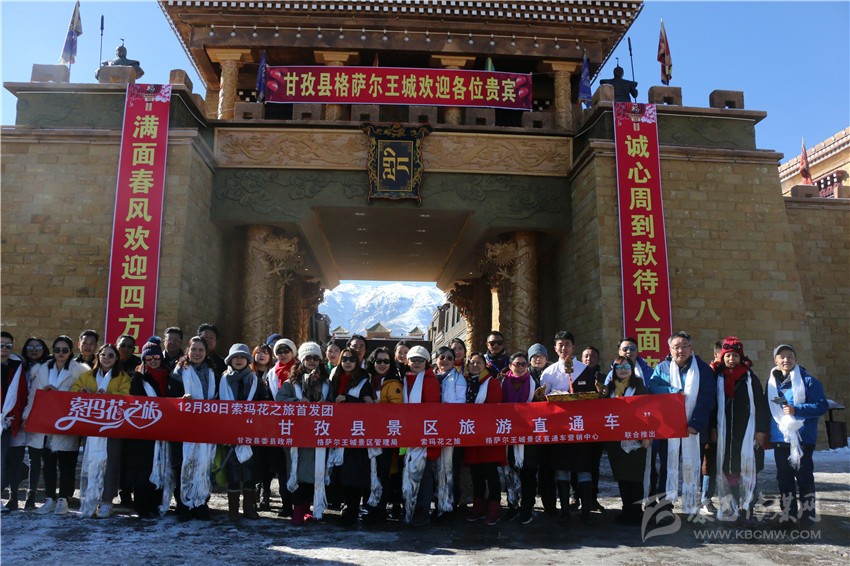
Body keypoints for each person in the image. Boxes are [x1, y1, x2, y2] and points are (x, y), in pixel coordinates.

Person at [648, 331, 715, 516]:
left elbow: (707, 398)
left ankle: (691, 505)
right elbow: (652, 388)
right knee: (667, 466)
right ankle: (665, 506)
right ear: (670, 349)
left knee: (692, 464)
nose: (681, 350)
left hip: (694, 428)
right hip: (669, 428)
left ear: (691, 348)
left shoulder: (702, 369)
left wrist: (696, 422)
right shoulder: (662, 368)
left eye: (685, 346)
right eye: (676, 347)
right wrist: (672, 391)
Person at [23, 335, 89, 515]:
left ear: (71, 351)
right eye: (57, 350)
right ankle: (50, 498)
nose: (61, 353)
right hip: (45, 422)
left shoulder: (79, 371)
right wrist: (27, 416)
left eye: (65, 350)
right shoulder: (43, 369)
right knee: (48, 462)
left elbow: (80, 396)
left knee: (67, 463)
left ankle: (63, 499)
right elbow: (33, 395)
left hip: (67, 422)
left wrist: (58, 393)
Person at [767, 344, 828, 527]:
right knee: (784, 480)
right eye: (782, 356)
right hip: (780, 438)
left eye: (790, 356)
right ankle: (788, 515)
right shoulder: (771, 384)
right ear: (776, 361)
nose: (786, 359)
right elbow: (767, 408)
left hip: (802, 438)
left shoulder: (809, 381)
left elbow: (821, 406)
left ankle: (807, 516)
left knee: (804, 479)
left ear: (796, 360)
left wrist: (797, 409)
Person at [710, 337, 769, 523]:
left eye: (735, 356)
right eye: (728, 356)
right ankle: (731, 506)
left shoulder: (750, 378)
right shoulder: (716, 377)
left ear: (741, 357)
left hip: (747, 432)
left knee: (748, 469)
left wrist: (760, 430)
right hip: (725, 433)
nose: (731, 359)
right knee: (729, 470)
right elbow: (711, 405)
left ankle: (747, 508)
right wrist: (712, 428)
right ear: (722, 357)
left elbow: (760, 404)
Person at [71, 343, 132, 518]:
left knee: (111, 464)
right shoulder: (88, 375)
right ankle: (90, 498)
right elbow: (73, 391)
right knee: (91, 461)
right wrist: (82, 391)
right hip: (91, 425)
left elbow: (126, 395)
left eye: (111, 355)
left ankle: (107, 501)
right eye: (103, 355)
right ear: (98, 356)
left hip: (113, 426)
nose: (106, 358)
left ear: (116, 358)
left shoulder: (123, 377)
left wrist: (107, 397)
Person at [539, 330, 595, 522]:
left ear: (574, 347)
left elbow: (593, 398)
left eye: (567, 344)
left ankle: (586, 511)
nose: (564, 348)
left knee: (583, 468)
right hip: (560, 428)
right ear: (555, 348)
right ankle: (564, 510)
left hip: (581, 426)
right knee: (562, 468)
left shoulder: (584, 370)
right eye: (560, 345)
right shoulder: (548, 372)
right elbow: (542, 402)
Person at [277, 342, 334, 525]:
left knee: (315, 474)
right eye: (308, 357)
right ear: (302, 359)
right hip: (297, 436)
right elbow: (280, 401)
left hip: (319, 433)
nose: (312, 361)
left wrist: (328, 405)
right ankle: (297, 511)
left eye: (315, 357)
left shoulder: (327, 383)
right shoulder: (291, 383)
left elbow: (334, 405)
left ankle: (308, 509)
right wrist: (296, 402)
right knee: (297, 474)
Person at [168, 335, 218, 521]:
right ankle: (184, 504)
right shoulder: (178, 372)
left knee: (203, 465)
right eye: (194, 349)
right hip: (183, 427)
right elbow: (169, 397)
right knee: (184, 464)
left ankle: (201, 503)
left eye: (201, 350)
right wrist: (180, 399)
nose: (197, 353)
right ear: (188, 351)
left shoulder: (212, 372)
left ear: (206, 352)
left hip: (206, 426)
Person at [220, 344, 267, 522]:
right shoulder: (223, 379)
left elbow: (264, 401)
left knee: (250, 473)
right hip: (230, 432)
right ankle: (233, 510)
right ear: (230, 360)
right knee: (232, 473)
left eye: (242, 357)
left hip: (251, 432)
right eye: (236, 357)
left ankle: (249, 508)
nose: (239, 360)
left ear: (248, 360)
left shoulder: (256, 380)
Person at [602, 356, 651, 524]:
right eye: (619, 367)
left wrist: (646, 435)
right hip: (615, 440)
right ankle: (626, 510)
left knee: (635, 476)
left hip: (636, 440)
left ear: (632, 369)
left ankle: (636, 512)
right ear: (614, 370)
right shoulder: (609, 389)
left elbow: (647, 413)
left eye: (626, 367)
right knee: (621, 475)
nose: (623, 370)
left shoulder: (639, 387)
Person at [331, 347, 375, 525]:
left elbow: (366, 406)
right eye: (345, 359)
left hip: (356, 434)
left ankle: (352, 509)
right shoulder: (334, 379)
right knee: (339, 472)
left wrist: (347, 400)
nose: (348, 362)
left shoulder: (363, 381)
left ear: (357, 362)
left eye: (352, 359)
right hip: (336, 432)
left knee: (354, 474)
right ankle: (345, 506)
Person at [126, 341, 170, 518]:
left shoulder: (169, 375)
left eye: (156, 356)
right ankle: (142, 506)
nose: (153, 360)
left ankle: (156, 503)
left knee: (160, 464)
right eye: (149, 357)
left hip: (164, 428)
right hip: (143, 429)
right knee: (142, 469)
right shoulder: (137, 377)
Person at [463, 352, 505, 526]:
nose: (475, 365)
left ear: (485, 364)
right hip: (471, 434)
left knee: (491, 473)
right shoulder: (465, 382)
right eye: (472, 362)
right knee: (476, 473)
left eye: (478, 362)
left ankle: (494, 507)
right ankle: (478, 506)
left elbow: (494, 407)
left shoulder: (491, 383)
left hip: (488, 435)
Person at [402, 345, 441, 527]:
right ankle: (410, 508)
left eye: (421, 360)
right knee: (410, 472)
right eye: (413, 360)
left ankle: (422, 510)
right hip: (406, 433)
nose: (417, 363)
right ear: (407, 361)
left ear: (426, 362)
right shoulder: (404, 379)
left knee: (424, 475)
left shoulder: (430, 380)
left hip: (423, 434)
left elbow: (431, 410)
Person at [364, 348, 403, 523]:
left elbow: (396, 409)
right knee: (371, 472)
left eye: (386, 361)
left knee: (383, 474)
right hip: (367, 434)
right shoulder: (367, 381)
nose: (382, 364)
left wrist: (376, 404)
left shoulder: (394, 383)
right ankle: (371, 506)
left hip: (386, 436)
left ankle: (380, 509)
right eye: (378, 361)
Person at [501, 351, 538, 524]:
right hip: (508, 433)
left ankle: (527, 507)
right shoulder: (502, 383)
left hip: (528, 435)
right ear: (510, 366)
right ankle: (512, 505)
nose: (521, 367)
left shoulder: (534, 383)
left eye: (524, 364)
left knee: (528, 473)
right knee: (510, 472)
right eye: (517, 364)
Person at [16, 337, 50, 510]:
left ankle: (31, 496)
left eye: (38, 347)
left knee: (35, 458)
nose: (34, 350)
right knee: (13, 455)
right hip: (15, 415)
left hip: (36, 416)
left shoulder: (47, 368)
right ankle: (12, 491)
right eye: (30, 347)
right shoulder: (19, 366)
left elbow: (36, 395)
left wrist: (27, 416)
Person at [251, 343, 282, 513]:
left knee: (269, 461)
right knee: (255, 459)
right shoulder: (249, 373)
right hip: (253, 423)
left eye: (265, 353)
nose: (262, 355)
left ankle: (266, 493)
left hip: (272, 424)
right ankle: (254, 492)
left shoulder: (274, 373)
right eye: (259, 352)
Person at [435, 345, 466, 516]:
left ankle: (449, 505)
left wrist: (446, 408)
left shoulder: (459, 378)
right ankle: (438, 503)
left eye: (449, 358)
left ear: (454, 361)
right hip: (433, 428)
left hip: (451, 428)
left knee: (450, 467)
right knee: (436, 467)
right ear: (436, 360)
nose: (445, 361)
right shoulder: (431, 377)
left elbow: (461, 402)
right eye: (442, 357)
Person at [1, 331, 28, 513]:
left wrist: (18, 416)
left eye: (8, 345)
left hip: (7, 419)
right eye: (1, 345)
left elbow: (21, 394)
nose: (4, 348)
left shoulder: (17, 366)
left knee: (3, 460)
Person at [581, 345, 606, 513]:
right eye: (586, 356)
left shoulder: (604, 378)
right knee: (578, 463)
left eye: (592, 356)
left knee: (594, 464)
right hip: (578, 425)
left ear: (598, 359)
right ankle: (576, 496)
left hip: (597, 426)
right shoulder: (575, 375)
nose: (589, 359)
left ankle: (593, 498)